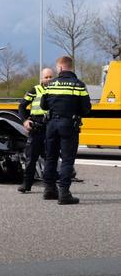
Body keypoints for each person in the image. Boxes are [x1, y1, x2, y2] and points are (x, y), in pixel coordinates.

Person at [40, 56, 91, 205]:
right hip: (69, 124)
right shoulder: (79, 85)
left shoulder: (51, 85)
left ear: (60, 68)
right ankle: (64, 193)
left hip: (51, 125)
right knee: (67, 160)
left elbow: (43, 106)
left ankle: (49, 189)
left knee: (51, 157)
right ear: (70, 67)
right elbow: (86, 109)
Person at [17, 68, 53, 193]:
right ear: (42, 78)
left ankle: (49, 186)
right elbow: (21, 106)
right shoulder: (35, 90)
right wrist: (25, 121)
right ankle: (26, 185)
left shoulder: (56, 90)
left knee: (50, 158)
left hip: (50, 128)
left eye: (50, 77)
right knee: (31, 158)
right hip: (36, 128)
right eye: (46, 77)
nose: (48, 79)